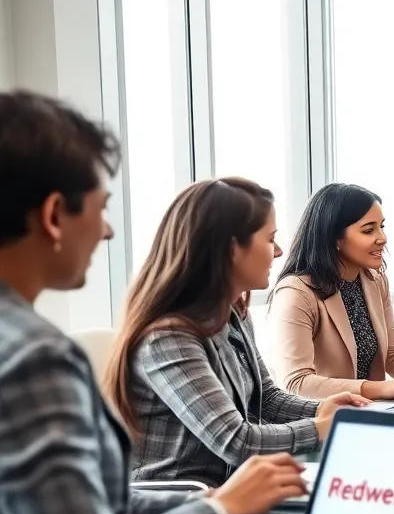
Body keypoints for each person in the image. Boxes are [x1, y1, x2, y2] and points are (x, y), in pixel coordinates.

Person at [0, 90, 307, 514]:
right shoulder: (31, 362)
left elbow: (82, 512)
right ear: (55, 214)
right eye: (103, 209)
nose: (109, 231)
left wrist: (204, 500)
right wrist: (218, 509)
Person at [105, 177, 370, 486]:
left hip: (233, 490)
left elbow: (266, 399)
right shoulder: (168, 338)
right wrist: (319, 427)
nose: (279, 251)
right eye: (271, 239)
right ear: (231, 248)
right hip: (178, 506)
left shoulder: (233, 314)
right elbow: (235, 441)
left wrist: (327, 409)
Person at [269, 183, 394, 400]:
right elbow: (296, 382)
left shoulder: (375, 280)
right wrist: (382, 388)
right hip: (323, 420)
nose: (382, 238)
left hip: (371, 411)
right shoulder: (296, 293)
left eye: (382, 227)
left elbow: (393, 353)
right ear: (334, 238)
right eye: (369, 230)